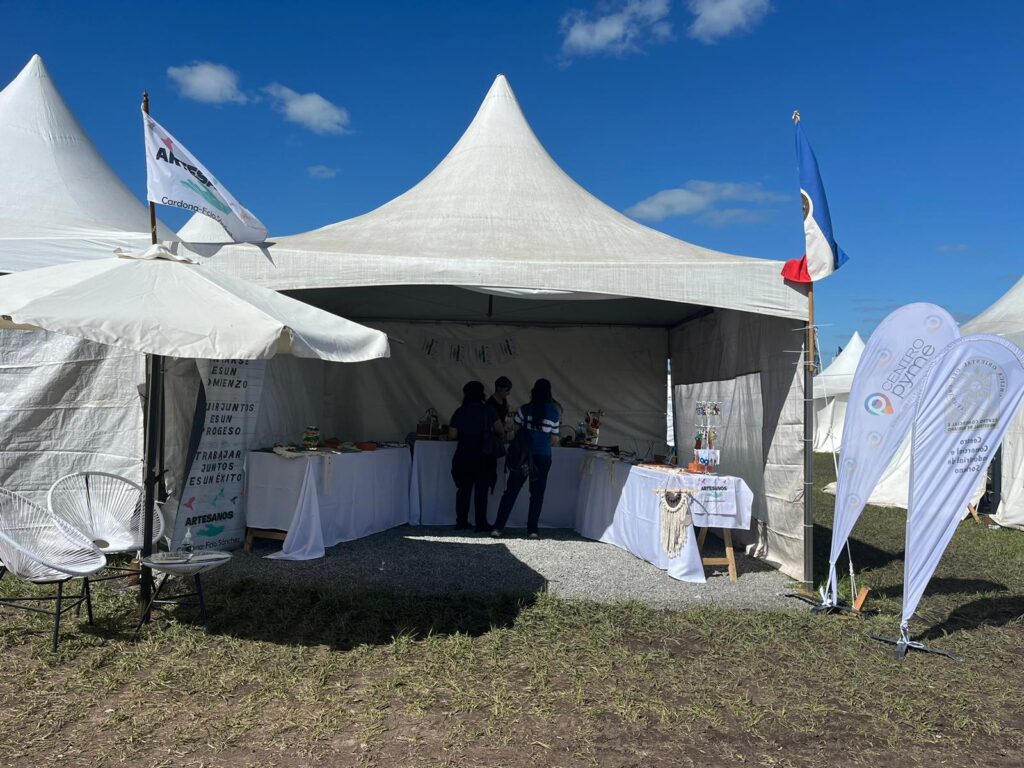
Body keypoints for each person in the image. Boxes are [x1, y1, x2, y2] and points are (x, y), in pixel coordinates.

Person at [491, 378, 561, 538]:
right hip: (543, 456)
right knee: (537, 493)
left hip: (522, 455)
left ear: (533, 392)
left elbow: (515, 429)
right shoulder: (554, 413)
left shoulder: (524, 409)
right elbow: (554, 439)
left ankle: (498, 527)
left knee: (511, 490)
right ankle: (532, 530)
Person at [448, 380, 503, 532]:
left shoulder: (460, 411)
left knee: (463, 490)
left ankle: (461, 521)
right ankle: (481, 523)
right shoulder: (489, 410)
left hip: (464, 454)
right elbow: (500, 430)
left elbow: (452, 434)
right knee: (481, 490)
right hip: (484, 455)